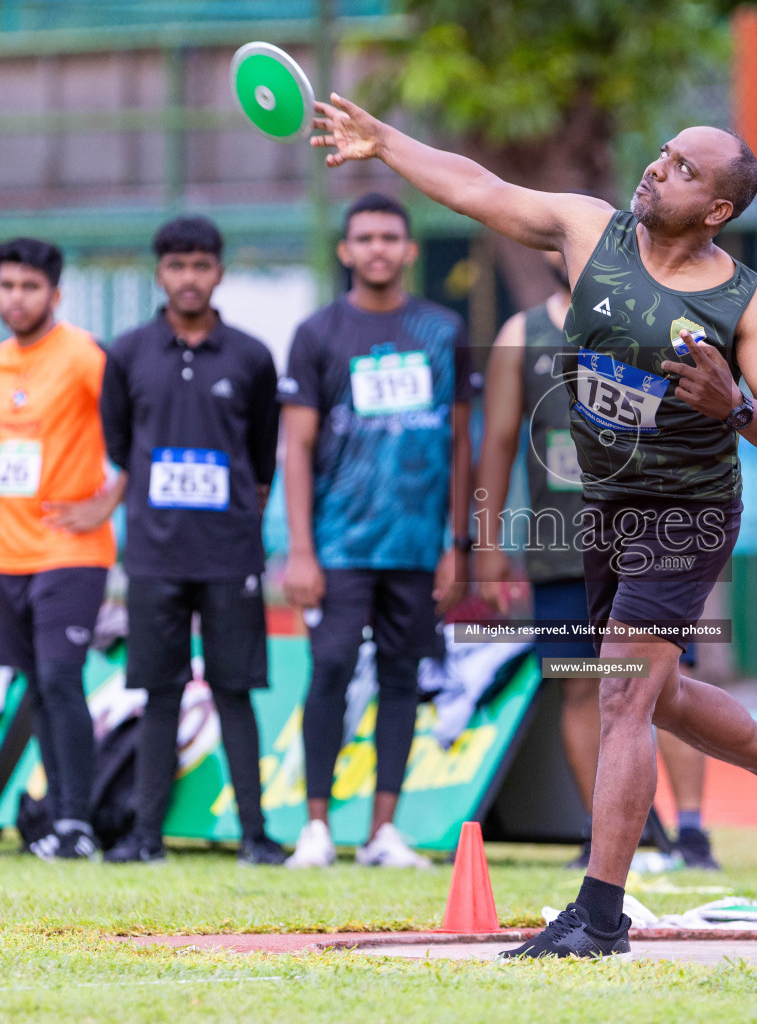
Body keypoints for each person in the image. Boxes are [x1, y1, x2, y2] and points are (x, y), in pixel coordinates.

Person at [312, 101, 757, 958]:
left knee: (620, 692)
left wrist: (739, 406)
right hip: (604, 507)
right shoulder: (589, 231)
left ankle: (600, 917)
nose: (657, 166)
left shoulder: (741, 302)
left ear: (716, 210)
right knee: (659, 693)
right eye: (665, 151)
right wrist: (385, 143)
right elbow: (475, 186)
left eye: (683, 168)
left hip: (686, 514)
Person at [475, 249, 720, 871]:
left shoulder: (654, 322)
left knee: (668, 682)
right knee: (580, 689)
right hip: (560, 550)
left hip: (648, 543)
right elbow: (500, 439)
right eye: (555, 240)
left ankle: (691, 834)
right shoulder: (521, 333)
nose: (567, 252)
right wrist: (487, 542)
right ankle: (609, 835)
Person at [281, 193, 475, 870]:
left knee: (401, 677)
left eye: (390, 237)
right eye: (364, 238)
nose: (377, 249)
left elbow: (459, 443)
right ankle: (315, 828)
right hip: (339, 546)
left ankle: (383, 833)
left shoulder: (443, 331)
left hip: (418, 546)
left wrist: (460, 543)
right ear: (345, 251)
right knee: (330, 668)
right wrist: (300, 549)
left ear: (409, 250)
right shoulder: (317, 334)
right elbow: (295, 449)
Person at [98, 215, 285, 866]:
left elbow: (263, 459)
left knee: (234, 691)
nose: (189, 278)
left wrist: (240, 517)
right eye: (176, 266)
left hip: (230, 553)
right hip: (154, 553)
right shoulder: (126, 354)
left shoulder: (252, 357)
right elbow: (120, 445)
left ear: (220, 272)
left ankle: (255, 836)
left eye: (201, 265)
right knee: (159, 691)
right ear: (160, 273)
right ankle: (145, 837)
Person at [0, 237, 122, 861]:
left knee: (63, 679)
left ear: (55, 293)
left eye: (29, 287)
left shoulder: (83, 355)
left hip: (72, 550)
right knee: (37, 686)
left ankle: (77, 822)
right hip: (10, 553)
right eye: (7, 285)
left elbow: (139, 428)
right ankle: (60, 818)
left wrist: (106, 501)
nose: (16, 298)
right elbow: (1, 442)